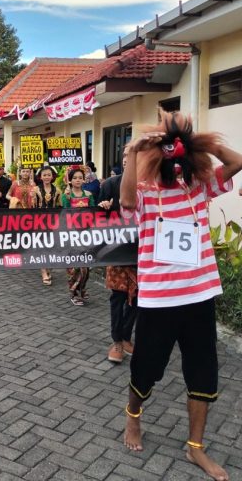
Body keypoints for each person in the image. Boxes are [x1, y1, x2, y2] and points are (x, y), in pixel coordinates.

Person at [119, 109, 242, 481]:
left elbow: (237, 162)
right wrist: (135, 151)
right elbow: (126, 202)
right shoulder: (146, 191)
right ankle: (133, 417)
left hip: (200, 295)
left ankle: (195, 447)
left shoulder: (199, 186)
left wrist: (200, 143)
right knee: (146, 369)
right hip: (159, 299)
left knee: (203, 372)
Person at [99, 147, 137, 364]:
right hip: (116, 251)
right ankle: (116, 341)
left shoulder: (149, 186)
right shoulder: (110, 185)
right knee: (118, 297)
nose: (126, 160)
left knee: (137, 299)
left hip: (141, 252)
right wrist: (102, 207)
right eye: (124, 156)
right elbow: (95, 217)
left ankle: (126, 336)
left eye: (131, 156)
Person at [61, 167, 96, 305]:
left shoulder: (88, 194)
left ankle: (82, 289)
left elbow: (94, 211)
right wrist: (67, 199)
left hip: (86, 234)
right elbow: (65, 214)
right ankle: (74, 293)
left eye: (80, 178)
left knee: (86, 266)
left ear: (84, 179)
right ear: (70, 180)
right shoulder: (66, 195)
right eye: (75, 178)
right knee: (75, 266)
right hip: (72, 234)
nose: (77, 180)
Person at [34, 166, 60, 285]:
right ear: (40, 177)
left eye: (49, 175)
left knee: (52, 247)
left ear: (52, 176)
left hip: (53, 223)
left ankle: (48, 268)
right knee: (42, 247)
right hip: (39, 222)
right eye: (44, 175)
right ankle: (44, 271)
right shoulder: (35, 190)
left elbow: (60, 206)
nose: (47, 177)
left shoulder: (57, 190)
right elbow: (32, 207)